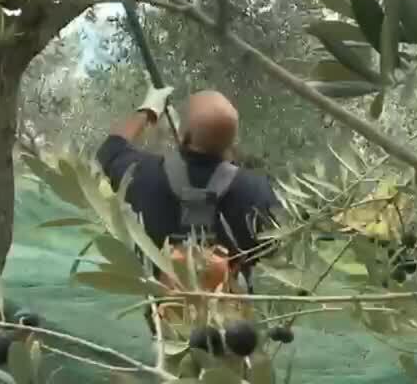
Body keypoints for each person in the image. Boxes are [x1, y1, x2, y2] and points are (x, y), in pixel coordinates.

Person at [95, 86, 282, 332]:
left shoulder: (141, 174)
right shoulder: (258, 191)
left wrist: (149, 111)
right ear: (232, 141)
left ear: (183, 134)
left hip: (165, 321)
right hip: (232, 327)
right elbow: (272, 248)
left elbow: (110, 149)